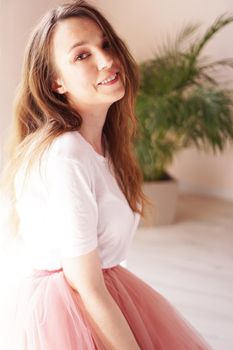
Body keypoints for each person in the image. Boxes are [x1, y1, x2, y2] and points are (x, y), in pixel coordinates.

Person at [0, 1, 213, 349]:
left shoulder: (101, 146)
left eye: (105, 43)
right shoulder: (67, 154)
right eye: (81, 56)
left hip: (102, 293)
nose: (106, 60)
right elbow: (85, 285)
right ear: (56, 83)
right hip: (75, 311)